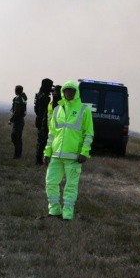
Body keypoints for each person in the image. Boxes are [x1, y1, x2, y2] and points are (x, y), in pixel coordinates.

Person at [43, 80, 94, 220]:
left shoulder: (84, 110)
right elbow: (52, 133)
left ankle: (67, 215)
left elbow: (88, 133)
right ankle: (54, 211)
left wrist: (84, 152)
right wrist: (47, 152)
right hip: (56, 155)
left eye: (72, 90)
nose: (69, 93)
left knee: (70, 187)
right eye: (66, 90)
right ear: (63, 92)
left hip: (74, 157)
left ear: (76, 92)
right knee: (50, 183)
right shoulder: (57, 110)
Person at [33, 78, 53, 165]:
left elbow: (37, 110)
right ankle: (39, 159)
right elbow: (43, 111)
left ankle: (39, 158)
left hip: (40, 120)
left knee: (41, 140)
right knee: (43, 141)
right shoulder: (44, 97)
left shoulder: (40, 95)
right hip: (43, 122)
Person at [9, 84, 27, 158]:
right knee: (18, 138)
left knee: (14, 137)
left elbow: (16, 111)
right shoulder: (23, 98)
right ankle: (18, 154)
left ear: (16, 91)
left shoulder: (18, 99)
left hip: (18, 120)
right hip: (21, 120)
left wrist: (11, 120)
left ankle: (17, 155)